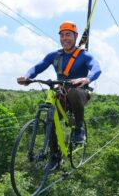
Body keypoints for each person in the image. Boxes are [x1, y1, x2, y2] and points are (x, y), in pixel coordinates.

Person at [17, 21, 101, 169]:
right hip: (62, 94)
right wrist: (27, 76)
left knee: (73, 90)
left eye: (68, 35)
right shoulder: (54, 56)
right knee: (48, 120)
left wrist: (87, 78)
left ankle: (79, 128)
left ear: (75, 36)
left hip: (79, 93)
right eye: (62, 35)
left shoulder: (84, 56)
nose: (64, 38)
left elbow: (96, 67)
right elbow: (37, 67)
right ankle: (55, 155)